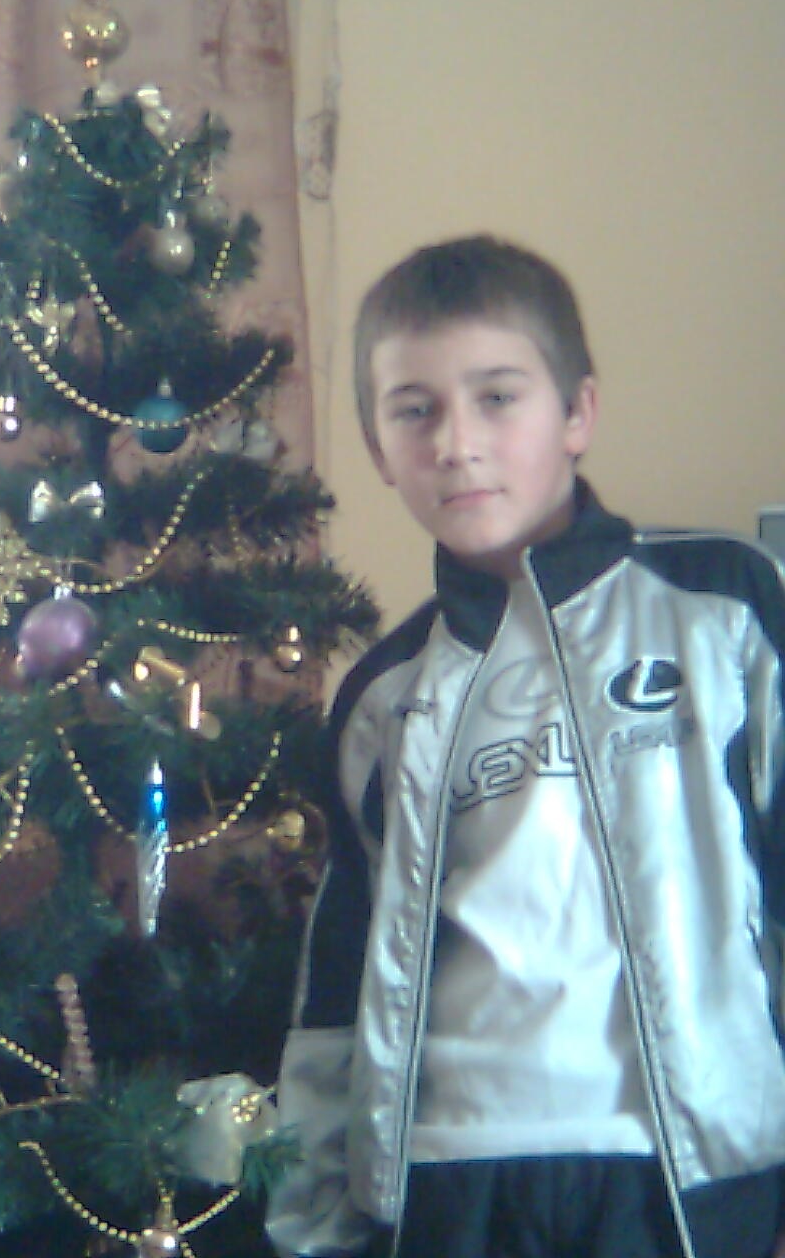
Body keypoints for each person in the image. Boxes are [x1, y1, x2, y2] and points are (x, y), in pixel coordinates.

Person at [266, 235, 785, 1258]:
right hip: (447, 1181)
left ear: (577, 413)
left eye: (497, 397)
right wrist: (316, 1219)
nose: (456, 442)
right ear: (378, 448)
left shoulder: (723, 607)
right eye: (414, 409)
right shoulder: (382, 693)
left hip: (688, 1174)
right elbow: (340, 971)